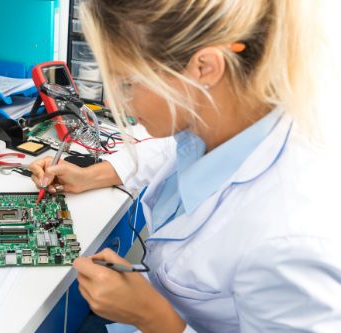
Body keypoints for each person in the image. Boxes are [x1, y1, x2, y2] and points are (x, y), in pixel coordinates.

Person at [29, 0, 341, 332]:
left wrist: (154, 316)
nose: (110, 103)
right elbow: (169, 151)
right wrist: (90, 176)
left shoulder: (290, 241)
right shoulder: (226, 119)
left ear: (204, 68)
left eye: (126, 83)